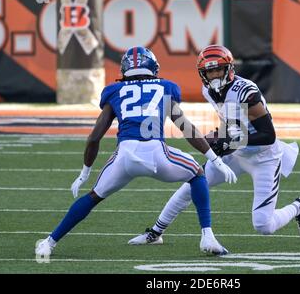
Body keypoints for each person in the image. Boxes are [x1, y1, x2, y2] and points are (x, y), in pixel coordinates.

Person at [35, 46, 238, 258]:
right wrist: (215, 159)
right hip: (157, 154)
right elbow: (185, 127)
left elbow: (94, 137)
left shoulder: (114, 91)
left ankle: (49, 242)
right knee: (197, 173)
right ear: (153, 67)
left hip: (125, 156)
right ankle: (208, 236)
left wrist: (85, 172)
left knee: (93, 196)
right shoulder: (165, 87)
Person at [128, 45, 300, 247]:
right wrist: (219, 137)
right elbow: (231, 120)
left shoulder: (246, 92)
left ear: (229, 69)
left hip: (264, 158)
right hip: (235, 153)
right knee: (192, 185)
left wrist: (229, 141)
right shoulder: (208, 90)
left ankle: (298, 207)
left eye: (218, 69)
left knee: (263, 225)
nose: (214, 75)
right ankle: (155, 233)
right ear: (203, 73)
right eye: (210, 71)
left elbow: (268, 135)